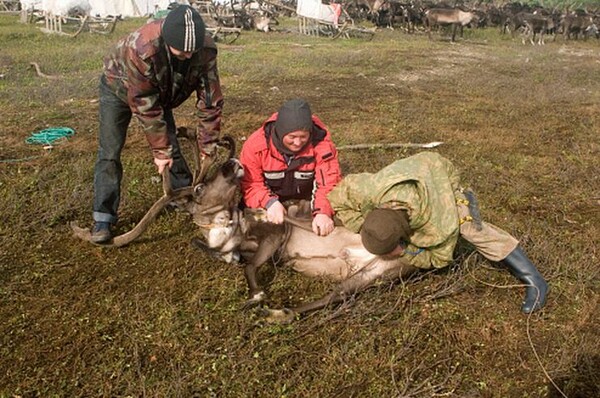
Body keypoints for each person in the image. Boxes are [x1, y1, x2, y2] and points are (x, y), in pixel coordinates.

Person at [327, 151, 549, 314]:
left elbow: (439, 258)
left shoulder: (439, 225)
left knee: (471, 229)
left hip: (441, 174)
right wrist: (361, 225)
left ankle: (535, 281)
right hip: (413, 169)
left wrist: (406, 251)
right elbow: (338, 197)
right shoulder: (368, 188)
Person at [91, 5, 224, 243]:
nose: (188, 55)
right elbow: (145, 104)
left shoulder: (203, 50)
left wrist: (208, 145)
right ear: (166, 40)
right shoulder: (142, 48)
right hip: (118, 87)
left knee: (170, 141)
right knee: (110, 152)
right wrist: (160, 151)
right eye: (181, 51)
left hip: (160, 92)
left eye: (191, 51)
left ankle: (184, 198)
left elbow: (210, 100)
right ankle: (103, 217)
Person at [239, 99, 342, 236]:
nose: (298, 142)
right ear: (281, 132)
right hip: (270, 202)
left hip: (307, 202)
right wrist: (270, 203)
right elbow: (251, 184)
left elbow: (329, 183)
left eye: (303, 137)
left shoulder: (323, 147)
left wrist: (323, 212)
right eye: (292, 137)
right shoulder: (256, 146)